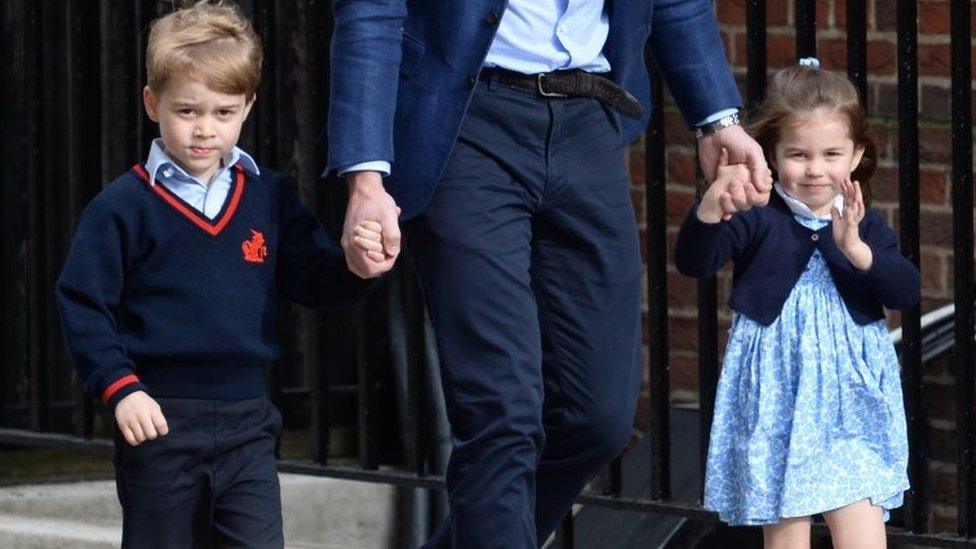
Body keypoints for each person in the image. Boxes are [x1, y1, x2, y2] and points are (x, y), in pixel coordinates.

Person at [327, 1, 772, 546]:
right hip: (464, 124)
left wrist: (716, 118)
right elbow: (371, 13)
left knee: (597, 417)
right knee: (501, 414)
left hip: (589, 120)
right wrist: (366, 179)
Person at [54, 3, 385, 547]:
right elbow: (81, 303)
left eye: (224, 112)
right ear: (151, 103)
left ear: (248, 107)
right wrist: (120, 389)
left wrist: (357, 266)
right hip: (157, 422)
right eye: (187, 111)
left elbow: (317, 280)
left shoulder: (269, 197)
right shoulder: (121, 207)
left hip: (248, 424)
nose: (205, 129)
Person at [673, 61, 919, 549]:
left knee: (863, 533)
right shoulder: (758, 214)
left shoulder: (862, 223)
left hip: (852, 399)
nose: (815, 168)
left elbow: (906, 291)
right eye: (798, 154)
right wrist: (710, 207)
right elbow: (694, 263)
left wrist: (858, 252)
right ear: (772, 155)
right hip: (777, 391)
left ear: (856, 155)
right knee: (787, 536)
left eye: (831, 154)